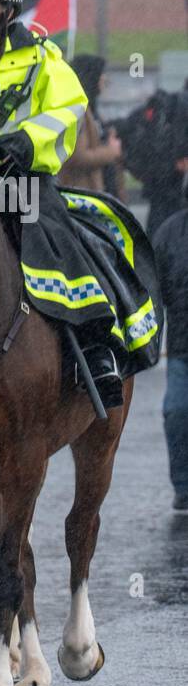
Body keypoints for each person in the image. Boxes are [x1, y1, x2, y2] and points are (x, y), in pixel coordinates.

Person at [0, 0, 160, 406]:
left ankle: (96, 343)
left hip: (23, 183)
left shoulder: (43, 58)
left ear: (8, 11)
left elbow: (70, 108)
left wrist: (26, 143)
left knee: (62, 244)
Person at [153, 135, 188, 513]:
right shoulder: (169, 234)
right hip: (181, 347)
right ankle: (184, 486)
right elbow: (154, 290)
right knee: (177, 412)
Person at [59, 54, 124, 197]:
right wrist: (111, 152)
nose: (104, 79)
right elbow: (77, 157)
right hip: (82, 195)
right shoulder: (77, 110)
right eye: (101, 74)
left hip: (96, 192)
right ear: (91, 77)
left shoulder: (90, 108)